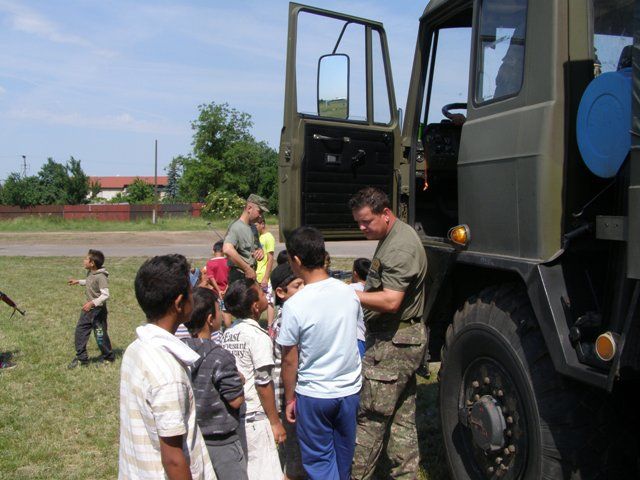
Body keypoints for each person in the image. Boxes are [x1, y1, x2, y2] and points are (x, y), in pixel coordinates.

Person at [348, 187, 427, 479]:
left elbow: (392, 300)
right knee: (401, 419)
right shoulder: (392, 236)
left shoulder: (399, 247)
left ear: (385, 213)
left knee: (371, 417)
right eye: (358, 222)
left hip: (393, 343)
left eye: (366, 221)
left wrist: (349, 295)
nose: (361, 228)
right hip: (401, 339)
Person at [119, 254, 215, 480]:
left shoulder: (136, 348)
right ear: (179, 303)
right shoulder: (168, 373)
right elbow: (173, 459)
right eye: (191, 291)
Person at [278, 226, 362, 480]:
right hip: (349, 390)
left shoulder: (294, 305)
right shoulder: (349, 293)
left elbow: (289, 359)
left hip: (314, 394)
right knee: (344, 456)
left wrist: (289, 399)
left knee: (319, 461)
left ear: (296, 260)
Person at [221, 279, 285, 480]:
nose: (266, 295)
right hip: (256, 418)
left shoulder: (229, 333)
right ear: (256, 307)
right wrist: (275, 422)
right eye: (262, 293)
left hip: (236, 416)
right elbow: (263, 383)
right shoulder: (258, 337)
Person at [182, 287, 248, 480]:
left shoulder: (179, 351)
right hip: (222, 441)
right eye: (219, 309)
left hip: (191, 437)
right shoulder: (220, 356)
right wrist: (239, 380)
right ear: (210, 319)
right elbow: (236, 400)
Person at [269, 263, 307, 480]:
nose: (303, 290)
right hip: (288, 397)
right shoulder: (287, 321)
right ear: (281, 292)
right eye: (297, 285)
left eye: (304, 284)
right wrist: (291, 399)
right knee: (295, 459)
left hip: (289, 397)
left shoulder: (286, 316)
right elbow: (290, 362)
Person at [67, 249, 115, 368]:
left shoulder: (101, 277)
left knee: (99, 334)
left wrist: (92, 303)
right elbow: (90, 282)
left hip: (97, 310)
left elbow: (105, 295)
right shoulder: (91, 273)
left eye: (86, 259)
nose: (84, 261)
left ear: (92, 263)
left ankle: (107, 357)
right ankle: (82, 358)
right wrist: (78, 281)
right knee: (82, 332)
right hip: (90, 310)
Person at [223, 194, 268, 285]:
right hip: (239, 278)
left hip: (250, 276)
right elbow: (227, 249)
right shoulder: (236, 227)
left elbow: (257, 247)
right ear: (249, 208)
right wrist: (247, 269)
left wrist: (260, 251)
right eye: (259, 212)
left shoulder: (253, 228)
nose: (261, 216)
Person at [255, 215, 276, 327]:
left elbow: (270, 258)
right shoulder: (257, 237)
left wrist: (266, 277)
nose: (254, 227)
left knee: (269, 300)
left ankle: (270, 326)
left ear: (262, 224)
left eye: (255, 225)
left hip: (264, 275)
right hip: (255, 274)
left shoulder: (269, 237)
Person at [350, 258, 371, 358]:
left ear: (355, 273)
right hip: (371, 338)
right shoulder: (375, 290)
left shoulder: (351, 289)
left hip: (357, 339)